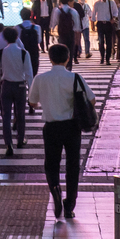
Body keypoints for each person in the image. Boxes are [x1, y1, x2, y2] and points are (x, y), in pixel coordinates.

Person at [31, 43, 89, 220]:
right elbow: (91, 100)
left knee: (51, 163)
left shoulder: (41, 79)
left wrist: (47, 103)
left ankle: (55, 190)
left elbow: (32, 102)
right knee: (73, 165)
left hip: (51, 126)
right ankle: (69, 204)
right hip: (72, 127)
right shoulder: (74, 78)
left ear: (50, 59)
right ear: (68, 58)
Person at [0, 24, 34, 155]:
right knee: (20, 114)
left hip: (6, 85)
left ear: (5, 38)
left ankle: (8, 144)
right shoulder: (23, 53)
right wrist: (31, 91)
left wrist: (0, 79)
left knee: (6, 116)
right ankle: (20, 139)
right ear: (17, 37)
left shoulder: (1, 52)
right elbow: (29, 73)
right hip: (20, 86)